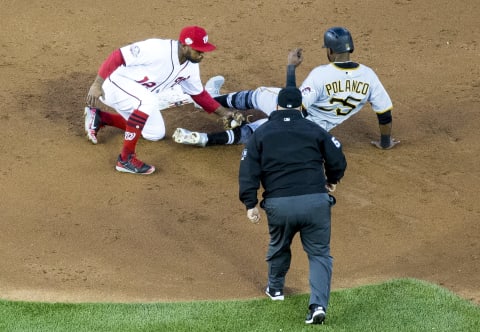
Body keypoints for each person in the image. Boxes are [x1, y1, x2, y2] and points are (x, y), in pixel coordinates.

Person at [239, 54, 347, 325]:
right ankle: (318, 306)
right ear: (301, 107)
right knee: (320, 254)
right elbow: (337, 159)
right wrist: (332, 179)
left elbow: (248, 169)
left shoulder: (261, 133)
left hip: (280, 204)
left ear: (276, 106)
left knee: (279, 245)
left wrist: (250, 203)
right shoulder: (314, 129)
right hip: (315, 201)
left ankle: (275, 289)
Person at [173, 26, 399, 150]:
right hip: (312, 134)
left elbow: (294, 106)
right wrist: (385, 143)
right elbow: (384, 113)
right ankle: (204, 139)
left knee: (260, 95)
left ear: (329, 51)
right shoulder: (369, 76)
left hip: (295, 116)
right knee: (257, 130)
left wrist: (291, 69)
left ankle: (211, 100)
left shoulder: (322, 74)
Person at [84, 26, 234, 174]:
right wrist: (97, 84)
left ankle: (101, 117)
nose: (202, 55)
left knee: (155, 133)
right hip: (113, 84)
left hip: (135, 94)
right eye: (198, 50)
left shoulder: (191, 66)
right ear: (184, 45)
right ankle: (125, 159)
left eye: (203, 51)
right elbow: (118, 56)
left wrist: (225, 113)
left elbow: (199, 95)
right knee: (148, 101)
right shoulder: (157, 49)